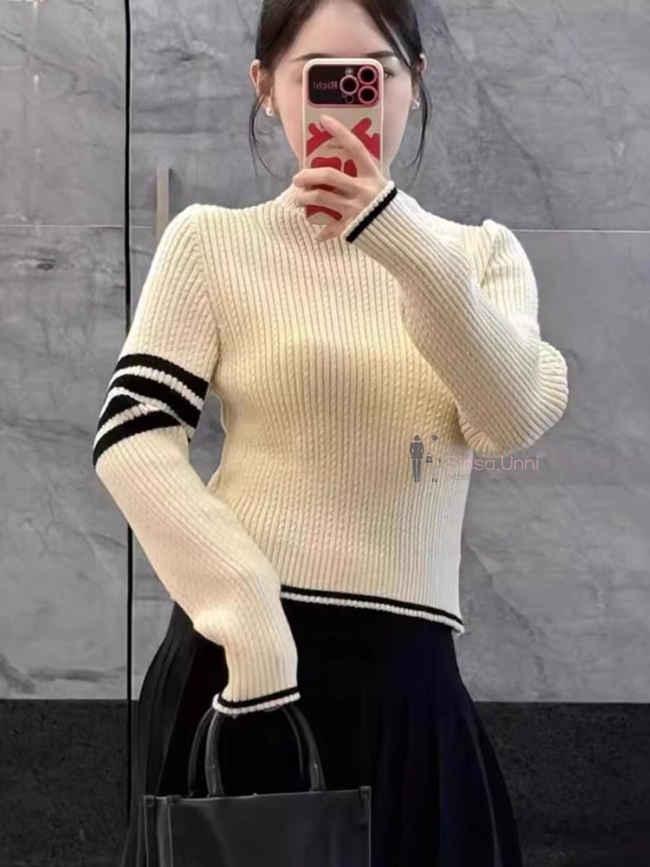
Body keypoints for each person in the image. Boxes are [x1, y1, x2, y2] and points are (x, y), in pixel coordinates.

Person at [94, 1, 570, 865]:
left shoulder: (479, 256)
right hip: (239, 663)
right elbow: (133, 435)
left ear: (414, 84)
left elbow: (507, 419)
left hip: (406, 681)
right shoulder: (213, 243)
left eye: (374, 76)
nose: (351, 102)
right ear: (266, 88)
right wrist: (249, 614)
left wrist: (396, 239)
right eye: (321, 78)